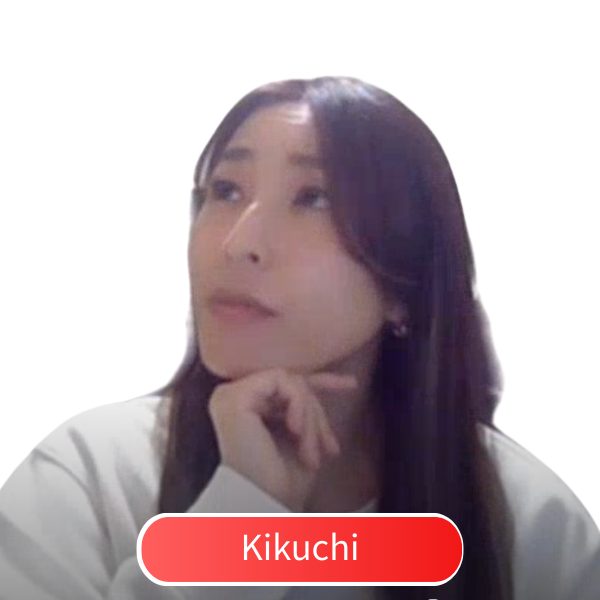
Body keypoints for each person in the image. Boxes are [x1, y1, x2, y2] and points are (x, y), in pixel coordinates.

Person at [0, 76, 598, 600]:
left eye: (312, 199)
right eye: (225, 191)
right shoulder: (86, 477)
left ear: (404, 284)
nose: (238, 243)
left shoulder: (530, 522)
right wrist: (243, 511)